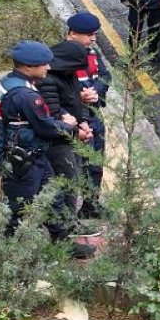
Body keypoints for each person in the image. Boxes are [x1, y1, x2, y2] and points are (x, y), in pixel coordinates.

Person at [0, 40, 96, 259]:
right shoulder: (25, 95)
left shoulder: (10, 82)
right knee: (17, 207)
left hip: (33, 157)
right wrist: (73, 129)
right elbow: (45, 126)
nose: (48, 68)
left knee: (54, 199)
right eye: (44, 64)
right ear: (28, 67)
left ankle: (63, 245)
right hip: (23, 162)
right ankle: (3, 253)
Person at [36, 39, 96, 234]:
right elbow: (53, 116)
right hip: (59, 144)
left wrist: (84, 121)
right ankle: (66, 227)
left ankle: (69, 223)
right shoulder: (47, 81)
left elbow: (76, 101)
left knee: (73, 180)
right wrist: (77, 132)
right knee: (67, 182)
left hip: (73, 137)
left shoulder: (68, 75)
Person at [58, 12, 112, 219]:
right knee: (72, 167)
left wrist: (96, 90)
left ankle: (91, 206)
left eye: (94, 34)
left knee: (95, 163)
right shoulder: (57, 57)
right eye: (88, 35)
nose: (93, 39)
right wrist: (78, 96)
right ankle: (65, 216)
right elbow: (52, 90)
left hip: (94, 116)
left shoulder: (92, 53)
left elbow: (106, 76)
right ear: (72, 34)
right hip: (74, 121)